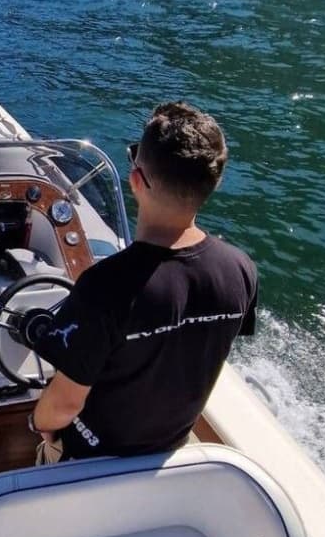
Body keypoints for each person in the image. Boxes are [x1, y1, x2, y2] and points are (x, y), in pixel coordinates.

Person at [28, 101, 257, 463]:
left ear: (136, 180)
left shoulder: (104, 286)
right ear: (213, 183)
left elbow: (63, 407)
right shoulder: (240, 270)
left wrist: (37, 424)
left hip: (91, 461)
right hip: (169, 453)